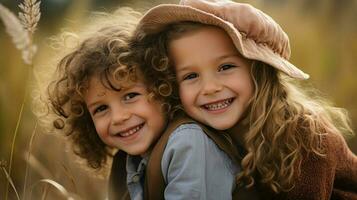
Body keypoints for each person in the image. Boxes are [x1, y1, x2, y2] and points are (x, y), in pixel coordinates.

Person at [130, 0, 357, 199]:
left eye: (226, 67)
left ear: (259, 72)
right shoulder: (194, 131)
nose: (209, 88)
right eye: (190, 76)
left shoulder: (306, 137)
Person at [44, 7, 238, 200]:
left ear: (163, 87)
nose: (119, 117)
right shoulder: (128, 160)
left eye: (130, 96)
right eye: (101, 108)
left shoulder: (187, 143)